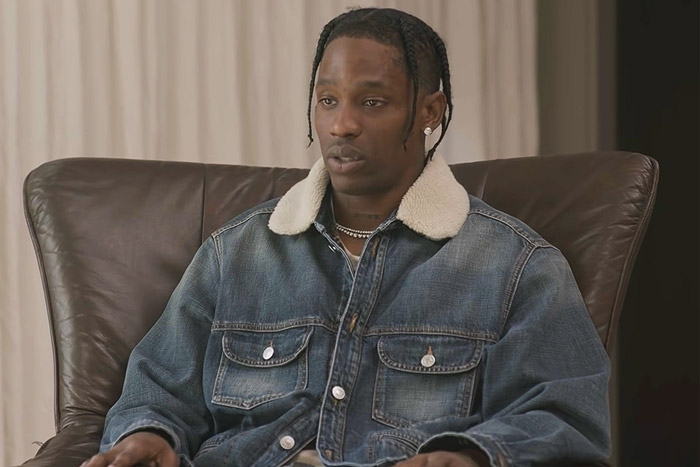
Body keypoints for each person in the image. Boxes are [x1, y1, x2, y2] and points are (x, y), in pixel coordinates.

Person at [83, 7, 610, 467]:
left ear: (430, 111)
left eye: (372, 102)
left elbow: (565, 416)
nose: (341, 125)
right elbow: (157, 390)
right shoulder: (236, 254)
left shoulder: (515, 266)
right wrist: (149, 435)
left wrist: (474, 454)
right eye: (328, 100)